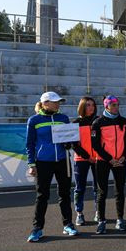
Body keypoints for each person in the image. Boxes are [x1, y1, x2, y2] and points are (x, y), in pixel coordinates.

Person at [25, 91, 77, 242]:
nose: (58, 104)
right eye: (55, 101)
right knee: (42, 196)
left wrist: (69, 143)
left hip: (62, 160)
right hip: (43, 162)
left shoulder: (63, 118)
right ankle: (37, 228)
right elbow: (29, 144)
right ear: (45, 103)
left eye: (59, 101)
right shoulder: (34, 120)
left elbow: (70, 139)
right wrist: (31, 163)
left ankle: (68, 224)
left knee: (65, 194)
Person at [90, 95, 126, 234]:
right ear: (106, 106)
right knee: (102, 192)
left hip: (120, 161)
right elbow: (95, 145)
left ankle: (120, 220)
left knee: (120, 191)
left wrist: (123, 157)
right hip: (103, 161)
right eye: (113, 105)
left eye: (117, 105)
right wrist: (109, 159)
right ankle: (101, 221)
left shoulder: (123, 121)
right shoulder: (98, 122)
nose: (116, 107)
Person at [71, 96, 99, 226]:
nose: (91, 107)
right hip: (81, 159)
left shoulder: (99, 121)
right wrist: (87, 156)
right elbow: (74, 145)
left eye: (92, 105)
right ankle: (79, 214)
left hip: (98, 159)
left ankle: (98, 212)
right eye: (88, 105)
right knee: (79, 188)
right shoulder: (75, 122)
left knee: (97, 187)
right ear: (82, 107)